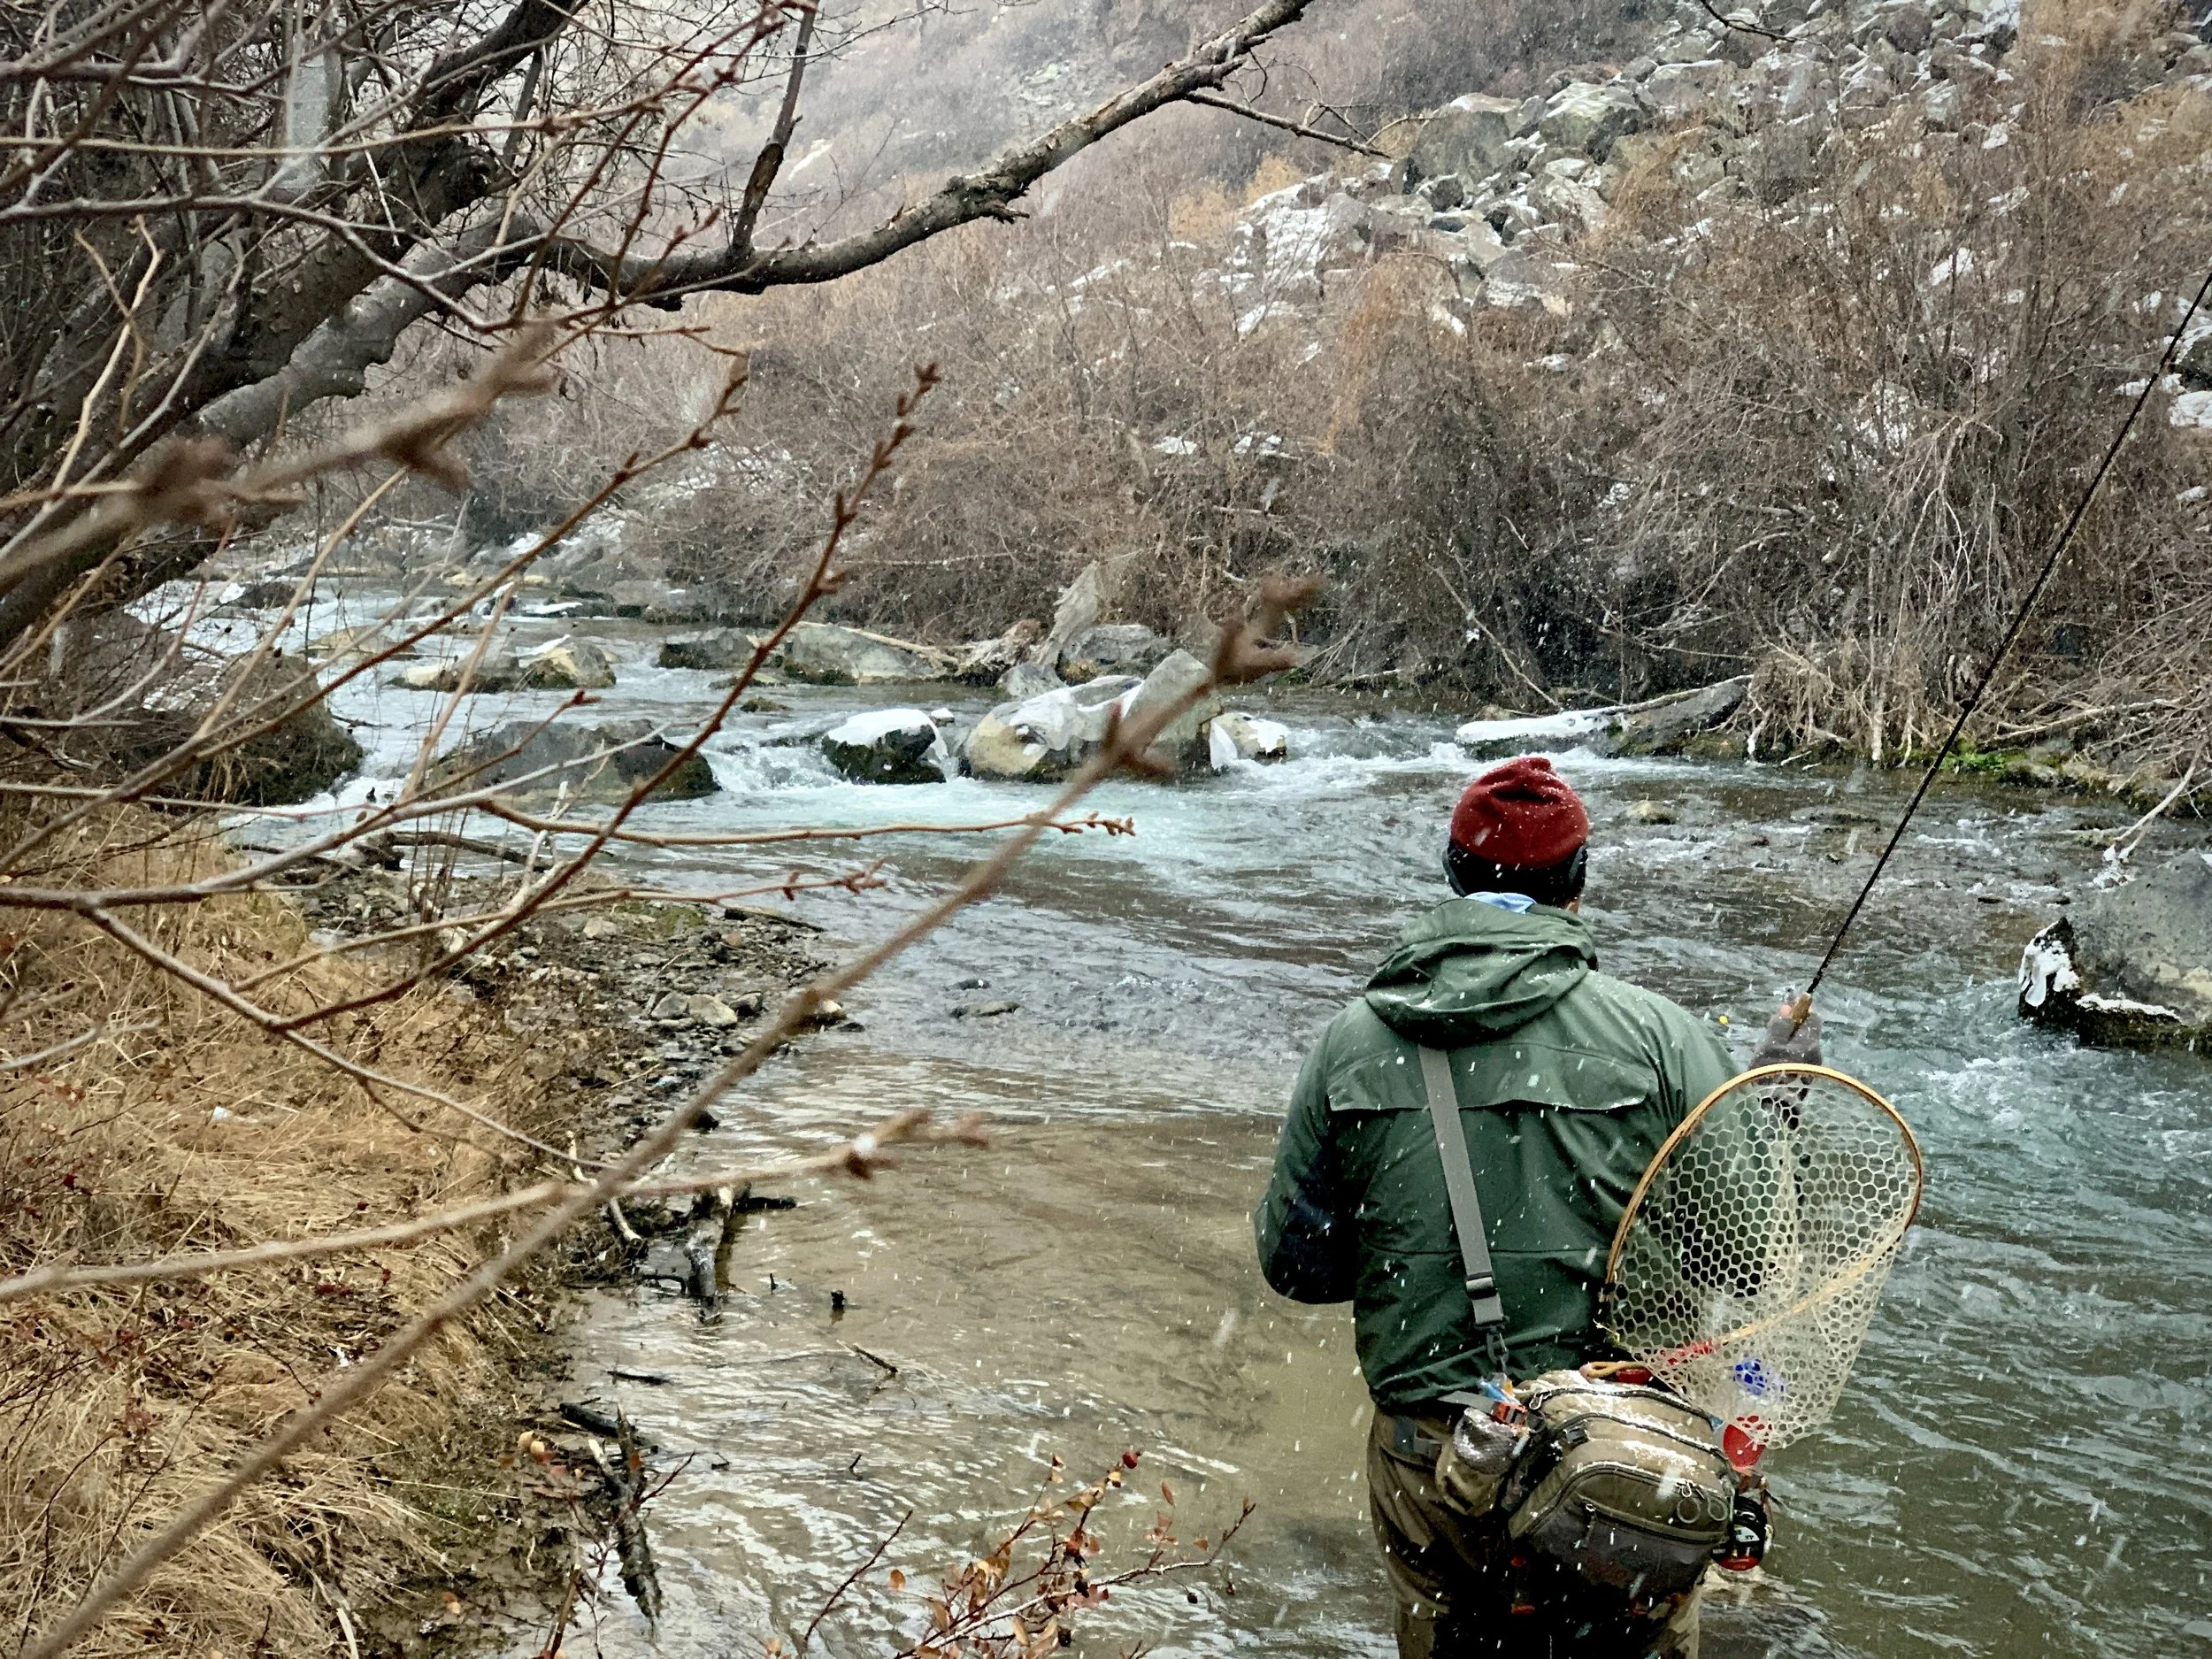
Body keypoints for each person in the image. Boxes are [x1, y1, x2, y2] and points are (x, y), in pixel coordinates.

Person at [1253, 756, 1820, 1659]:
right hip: (1624, 1454)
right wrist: (1764, 1116)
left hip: (1432, 1458)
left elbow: (1294, 1264)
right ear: (1578, 884)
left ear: (1451, 873)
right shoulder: (1663, 1037)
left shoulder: (1352, 1041)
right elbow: (1746, 1263)